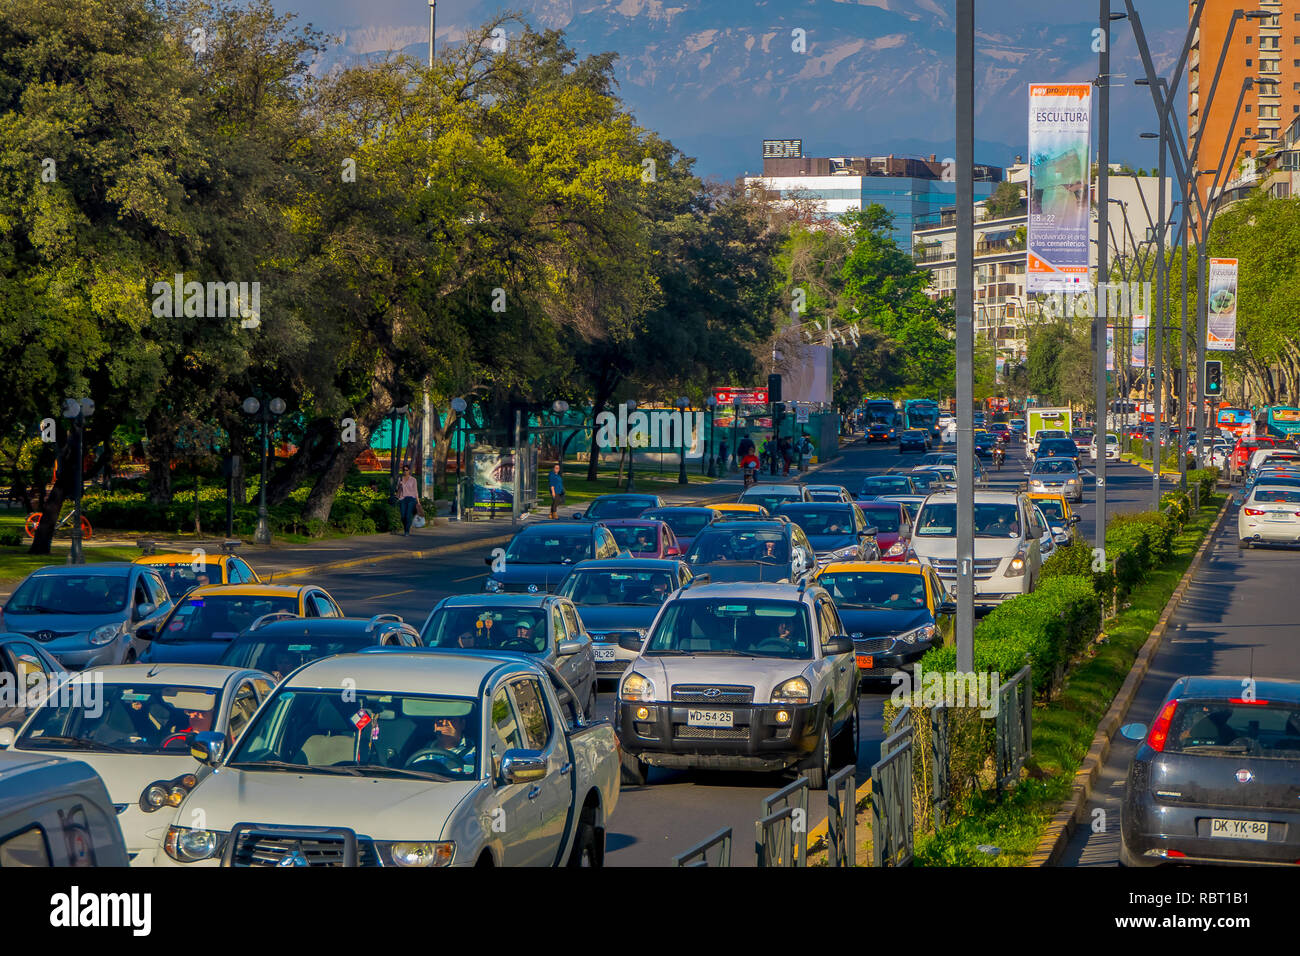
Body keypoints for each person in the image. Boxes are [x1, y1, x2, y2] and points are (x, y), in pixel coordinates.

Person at [396, 465, 419, 536]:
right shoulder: (400, 479)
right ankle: (406, 527)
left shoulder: (413, 480)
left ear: (409, 470)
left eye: (406, 470)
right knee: (403, 516)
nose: (405, 471)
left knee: (408, 515)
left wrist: (418, 502)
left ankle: (407, 531)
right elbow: (397, 489)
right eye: (404, 470)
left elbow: (415, 491)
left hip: (411, 499)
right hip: (402, 498)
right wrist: (399, 486)